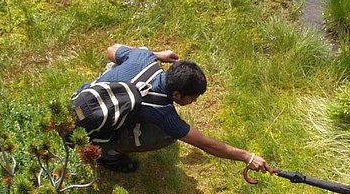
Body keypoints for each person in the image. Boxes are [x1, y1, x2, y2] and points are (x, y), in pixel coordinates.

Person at [75, 43, 275, 175]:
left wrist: (155, 54)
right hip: (88, 134)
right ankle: (109, 154)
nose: (195, 102)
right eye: (193, 98)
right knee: (165, 135)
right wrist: (247, 156)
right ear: (177, 95)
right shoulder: (162, 112)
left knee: (120, 63)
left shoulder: (143, 57)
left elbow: (112, 50)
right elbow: (206, 144)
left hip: (80, 101)